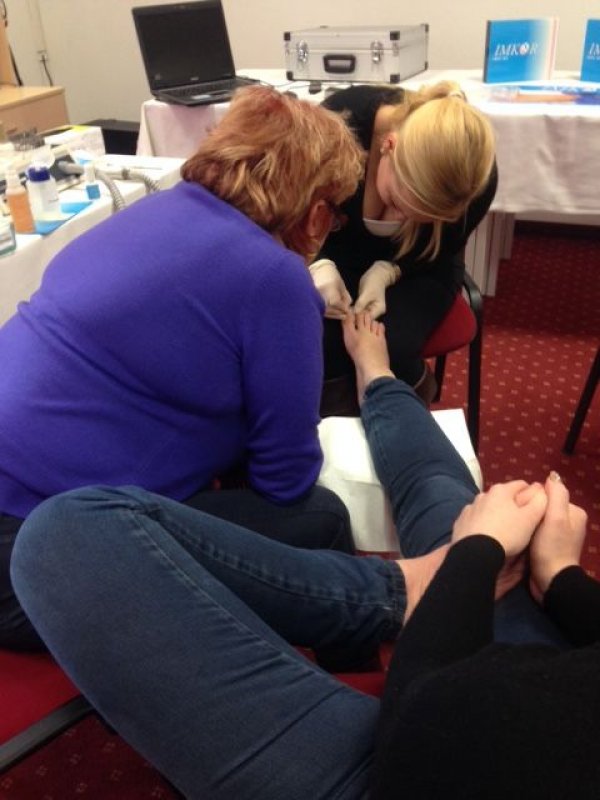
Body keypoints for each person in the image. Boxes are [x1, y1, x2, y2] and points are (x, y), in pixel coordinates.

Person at [12, 312, 597, 800]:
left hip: (416, 756)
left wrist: (473, 557)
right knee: (448, 498)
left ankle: (402, 587)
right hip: (533, 692)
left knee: (66, 535)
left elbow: (428, 712)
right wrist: (564, 578)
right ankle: (380, 379)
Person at [0, 86, 366, 651]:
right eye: (335, 213)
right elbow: (285, 478)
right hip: (35, 555)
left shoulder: (152, 208)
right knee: (323, 518)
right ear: (317, 209)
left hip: (25, 503)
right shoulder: (274, 278)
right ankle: (354, 683)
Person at [311, 82, 498, 413]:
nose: (401, 219)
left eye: (425, 218)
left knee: (390, 346)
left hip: (421, 265)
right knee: (318, 343)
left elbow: (444, 249)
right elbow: (289, 208)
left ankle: (401, 407)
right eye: (397, 202)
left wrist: (391, 270)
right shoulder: (336, 124)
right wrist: (316, 261)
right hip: (333, 257)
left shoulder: (475, 181)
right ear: (389, 145)